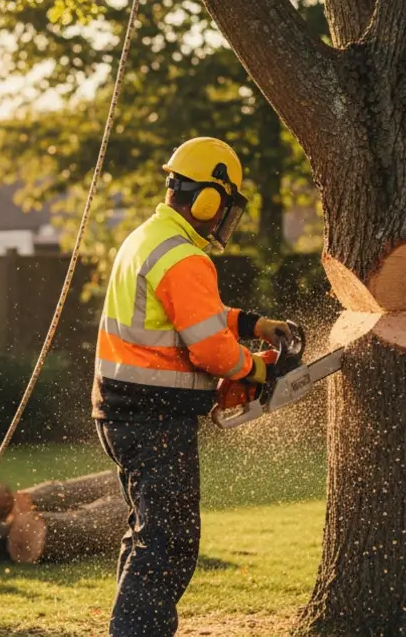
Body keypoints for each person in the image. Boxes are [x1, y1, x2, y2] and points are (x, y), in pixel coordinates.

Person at [91, 136, 297, 636]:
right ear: (209, 198)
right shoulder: (183, 257)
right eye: (224, 205)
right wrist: (260, 370)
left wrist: (250, 324)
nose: (224, 216)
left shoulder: (149, 238)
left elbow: (195, 317)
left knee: (148, 535)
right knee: (169, 541)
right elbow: (210, 350)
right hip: (152, 418)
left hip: (123, 411)